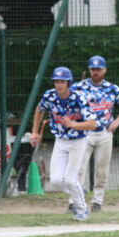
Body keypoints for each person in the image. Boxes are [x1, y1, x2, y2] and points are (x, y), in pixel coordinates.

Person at [31, 66, 97, 220]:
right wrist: (34, 131)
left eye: (62, 81)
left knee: (70, 179)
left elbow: (92, 123)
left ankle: (82, 211)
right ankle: (78, 191)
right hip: (60, 141)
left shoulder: (79, 98)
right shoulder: (50, 96)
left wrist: (74, 125)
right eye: (56, 81)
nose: (59, 84)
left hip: (78, 141)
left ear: (69, 82)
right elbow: (39, 109)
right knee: (55, 180)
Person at [71, 55, 119, 213]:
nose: (95, 72)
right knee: (79, 168)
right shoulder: (79, 86)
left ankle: (97, 202)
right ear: (89, 70)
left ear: (105, 70)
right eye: (93, 69)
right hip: (84, 134)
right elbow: (67, 101)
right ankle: (74, 202)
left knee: (102, 170)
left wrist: (117, 121)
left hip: (104, 133)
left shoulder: (112, 88)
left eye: (98, 69)